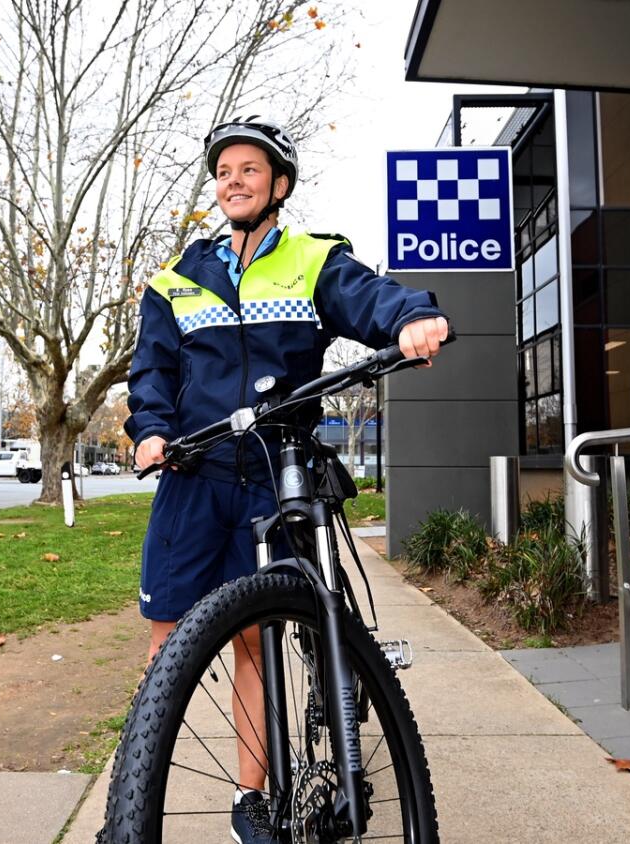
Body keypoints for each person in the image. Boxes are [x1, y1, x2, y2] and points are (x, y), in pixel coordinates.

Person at [124, 116, 449, 844]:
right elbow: (152, 372)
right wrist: (149, 430)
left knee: (254, 640)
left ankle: (251, 801)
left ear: (280, 184)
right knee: (165, 637)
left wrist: (412, 320)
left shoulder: (312, 259)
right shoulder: (175, 280)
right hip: (195, 472)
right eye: (223, 172)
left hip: (275, 474)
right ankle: (133, 787)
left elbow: (372, 299)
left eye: (248, 169)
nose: (232, 181)